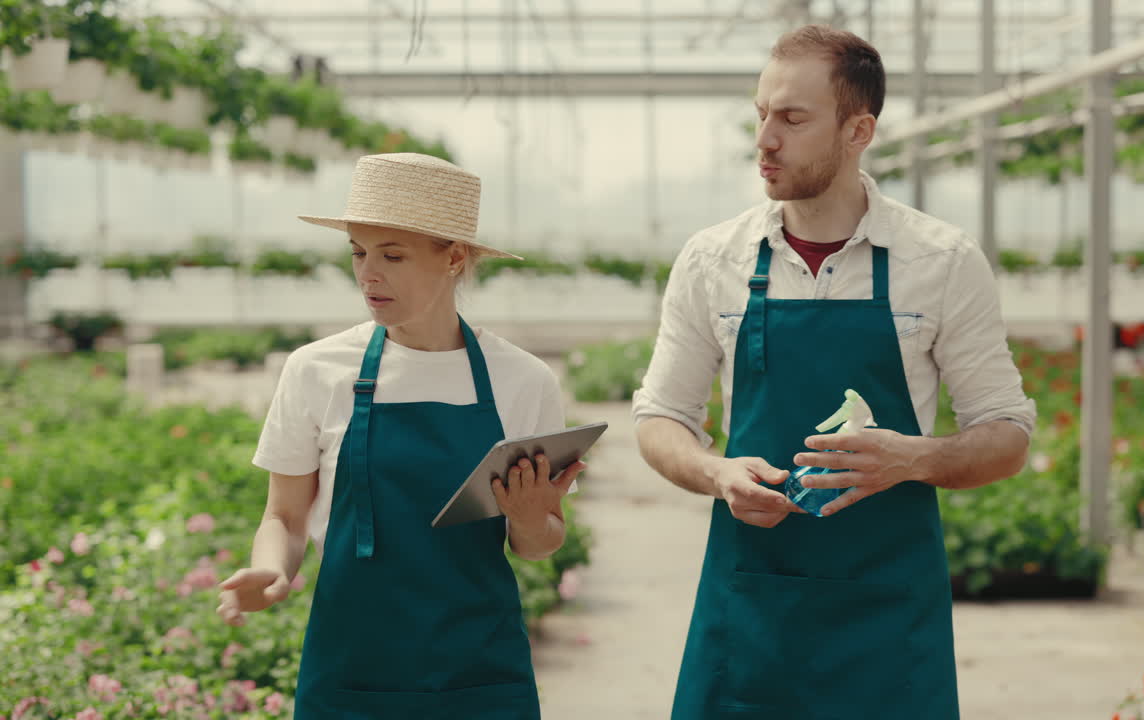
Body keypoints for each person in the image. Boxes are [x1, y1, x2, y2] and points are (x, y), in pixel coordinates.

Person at [632, 25, 1036, 719]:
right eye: (761, 114)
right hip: (752, 604)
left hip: (888, 615)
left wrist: (915, 459)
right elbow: (660, 417)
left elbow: (1007, 434)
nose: (765, 138)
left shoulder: (939, 261)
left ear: (859, 130)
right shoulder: (713, 260)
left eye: (791, 118)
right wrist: (717, 471)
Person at [215, 153, 583, 719]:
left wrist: (533, 517)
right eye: (358, 253)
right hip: (351, 672)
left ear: (455, 258)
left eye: (393, 255)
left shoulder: (522, 380)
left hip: (480, 675)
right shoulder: (316, 370)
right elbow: (284, 517)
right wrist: (271, 570)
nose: (368, 274)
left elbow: (538, 545)